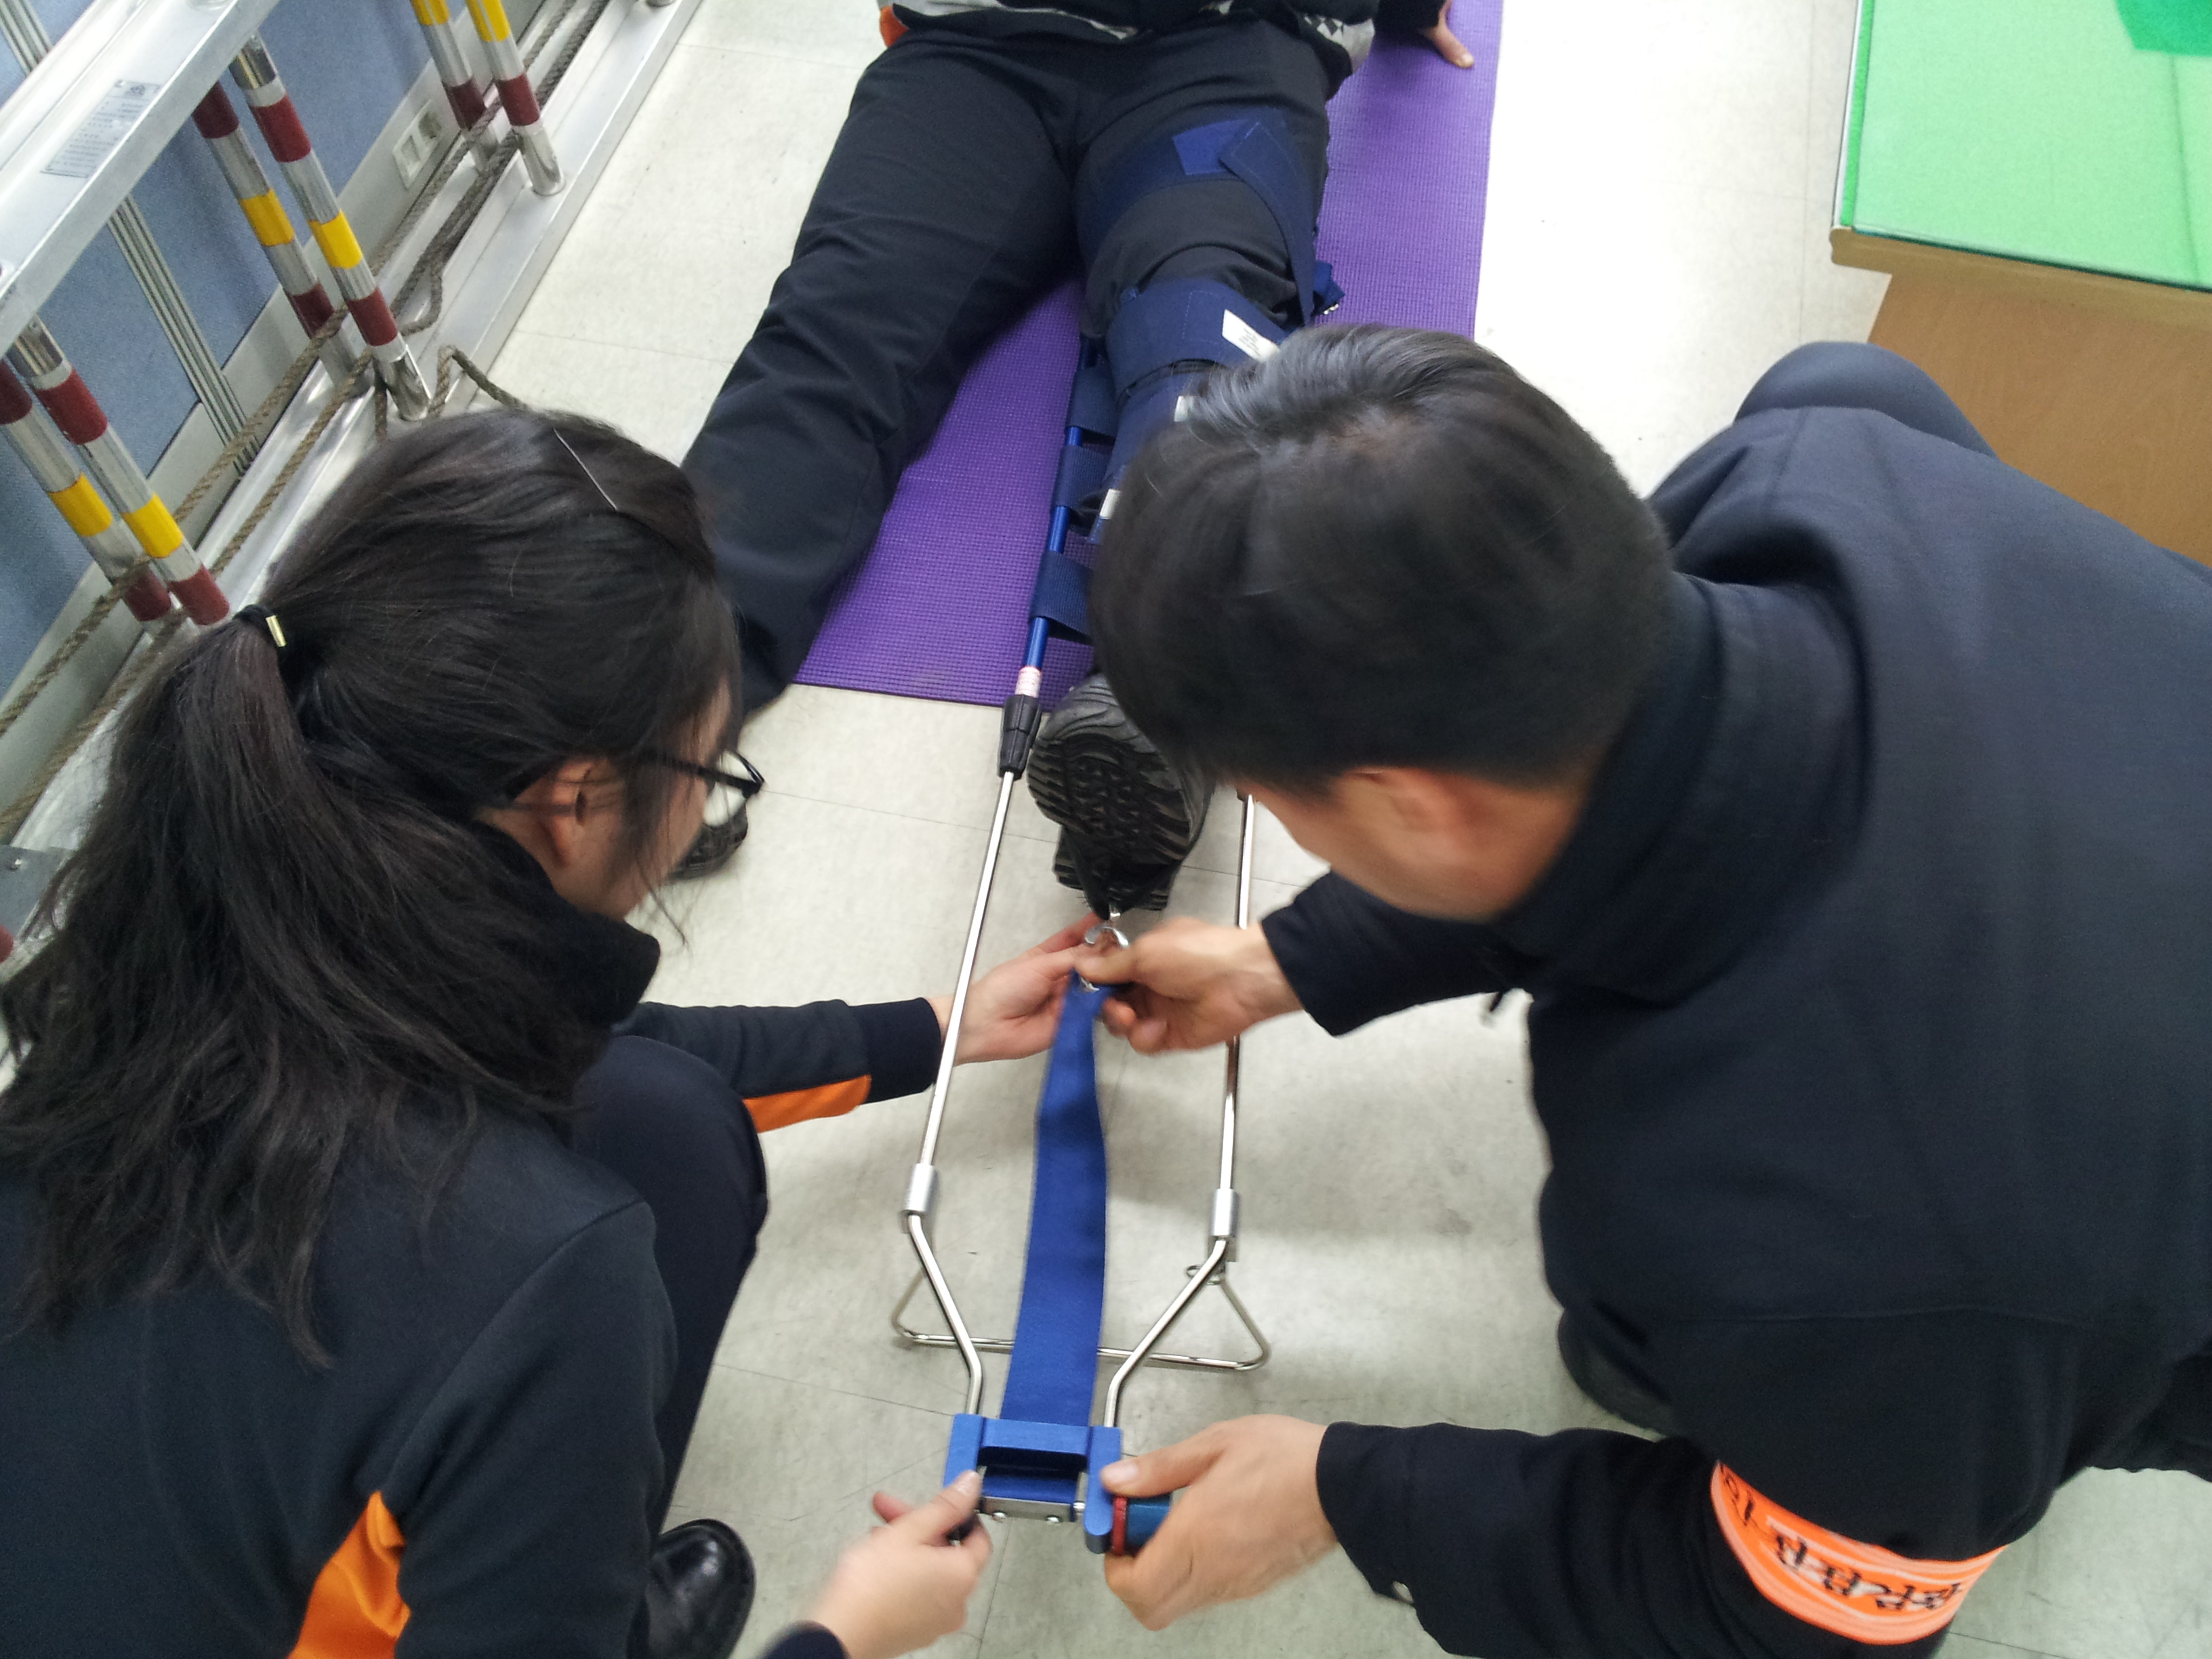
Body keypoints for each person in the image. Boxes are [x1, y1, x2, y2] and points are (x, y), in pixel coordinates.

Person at [1066, 325, 2212, 1657]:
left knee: (1646, 1336)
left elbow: (1787, 1624)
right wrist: (1294, 959)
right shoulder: (1828, 450)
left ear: (1407, 805)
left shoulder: (1828, 1251)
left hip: (2057, 1256)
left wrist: (1349, 1492)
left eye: (1274, 797)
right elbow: (1612, 761)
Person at [0, 411, 1082, 1659]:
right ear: (575, 801)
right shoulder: (540, 1278)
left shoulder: (188, 943)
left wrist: (937, 1029)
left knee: (663, 1116)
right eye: (708, 772)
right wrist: (845, 1636)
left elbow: (583, 1048)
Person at [682, 0, 1471, 906]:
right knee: (839, 328)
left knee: (1202, 335)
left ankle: (1158, 685)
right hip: (978, 46)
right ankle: (654, 692)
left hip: (1230, 46)